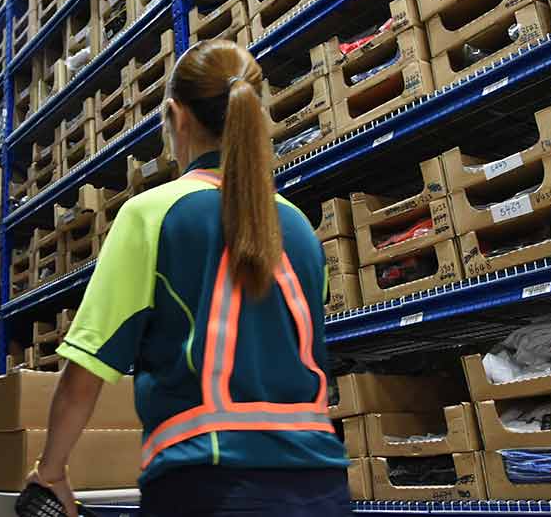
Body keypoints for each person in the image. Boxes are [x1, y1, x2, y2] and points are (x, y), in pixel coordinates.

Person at [24, 40, 350, 516]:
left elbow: (84, 375)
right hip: (322, 485)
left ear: (177, 117)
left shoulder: (153, 215)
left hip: (207, 485)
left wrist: (50, 472)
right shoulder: (300, 227)